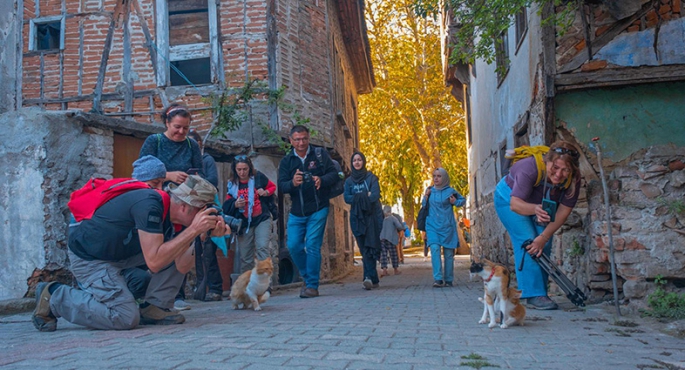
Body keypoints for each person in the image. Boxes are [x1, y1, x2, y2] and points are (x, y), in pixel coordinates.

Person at [32, 175, 228, 331]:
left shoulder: (178, 220)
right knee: (125, 317)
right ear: (185, 206)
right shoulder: (150, 204)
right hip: (92, 258)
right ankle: (55, 296)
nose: (207, 215)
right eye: (203, 210)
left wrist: (201, 235)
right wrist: (193, 230)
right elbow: (154, 262)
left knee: (173, 247)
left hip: (122, 256)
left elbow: (182, 265)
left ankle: (154, 307)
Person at [494, 140, 582, 310]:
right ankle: (533, 294)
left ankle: (540, 292)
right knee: (528, 241)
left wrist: (544, 237)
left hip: (541, 203)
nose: (558, 174)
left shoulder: (573, 178)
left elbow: (563, 212)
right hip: (509, 200)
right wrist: (535, 208)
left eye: (565, 170)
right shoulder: (530, 168)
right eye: (555, 167)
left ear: (572, 170)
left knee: (542, 242)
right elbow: (515, 204)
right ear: (546, 161)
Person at [139, 104, 204, 310]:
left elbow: (199, 171)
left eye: (185, 128)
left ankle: (177, 295)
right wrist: (168, 175)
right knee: (159, 245)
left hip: (183, 205)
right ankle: (148, 293)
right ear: (167, 123)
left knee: (181, 244)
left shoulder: (191, 146)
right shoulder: (154, 142)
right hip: (158, 202)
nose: (181, 132)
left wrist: (192, 180)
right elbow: (141, 169)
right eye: (177, 127)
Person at [277, 125, 339, 298]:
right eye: (297, 139)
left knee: (312, 245)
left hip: (318, 208)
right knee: (294, 246)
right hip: (297, 212)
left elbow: (334, 175)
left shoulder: (319, 155)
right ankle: (307, 277)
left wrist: (321, 179)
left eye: (304, 138)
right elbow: (281, 186)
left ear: (308, 138)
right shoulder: (287, 161)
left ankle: (312, 285)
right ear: (291, 140)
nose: (301, 142)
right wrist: (293, 183)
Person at [223, 155, 277, 273]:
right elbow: (227, 204)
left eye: (245, 169)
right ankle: (247, 286)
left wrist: (266, 192)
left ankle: (265, 282)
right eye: (239, 170)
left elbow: (272, 187)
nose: (242, 172)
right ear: (235, 170)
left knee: (262, 247)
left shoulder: (258, 177)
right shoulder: (232, 185)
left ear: (250, 168)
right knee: (245, 255)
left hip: (262, 218)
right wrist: (235, 204)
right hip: (243, 222)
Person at [187, 131, 223, 301]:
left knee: (209, 249)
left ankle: (215, 288)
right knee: (195, 251)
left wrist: (194, 180)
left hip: (207, 208)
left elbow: (212, 183)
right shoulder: (184, 160)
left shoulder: (206, 160)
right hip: (187, 211)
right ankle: (200, 288)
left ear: (200, 143)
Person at [343, 152, 383, 290]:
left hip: (372, 218)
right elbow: (347, 198)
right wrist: (365, 194)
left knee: (370, 247)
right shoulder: (348, 181)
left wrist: (358, 197)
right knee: (363, 248)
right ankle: (373, 278)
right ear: (352, 163)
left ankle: (367, 278)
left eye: (360, 160)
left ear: (364, 161)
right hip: (357, 218)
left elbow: (375, 196)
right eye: (355, 160)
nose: (357, 162)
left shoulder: (371, 178)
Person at [422, 168, 466, 288]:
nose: (436, 178)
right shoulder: (429, 190)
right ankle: (438, 279)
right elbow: (424, 205)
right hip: (432, 225)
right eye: (434, 176)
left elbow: (462, 201)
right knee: (435, 249)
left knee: (448, 254)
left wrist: (455, 201)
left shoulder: (450, 191)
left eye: (439, 176)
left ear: (444, 178)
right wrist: (426, 196)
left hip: (447, 226)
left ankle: (449, 279)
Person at [379, 205, 406, 277]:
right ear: (390, 211)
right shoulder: (393, 218)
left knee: (384, 254)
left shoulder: (381, 218)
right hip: (390, 238)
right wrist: (402, 229)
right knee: (393, 254)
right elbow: (399, 226)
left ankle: (384, 270)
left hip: (382, 238)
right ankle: (396, 270)